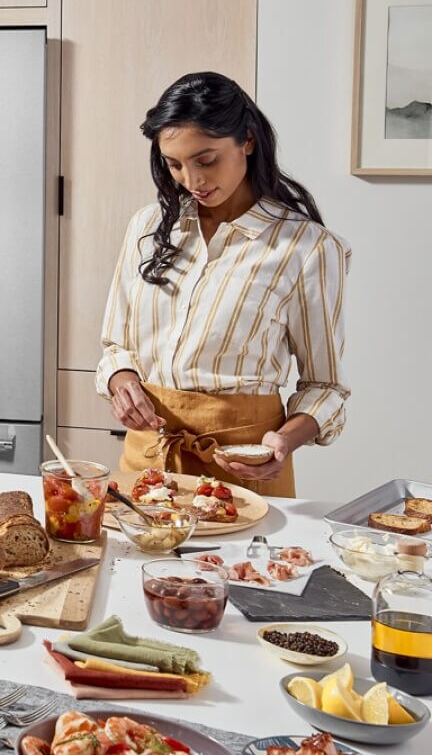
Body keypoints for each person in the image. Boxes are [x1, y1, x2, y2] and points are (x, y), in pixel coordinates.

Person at [96, 72, 349, 497]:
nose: (192, 182)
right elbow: (115, 346)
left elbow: (325, 387)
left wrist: (284, 442)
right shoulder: (147, 227)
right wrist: (120, 380)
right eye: (174, 164)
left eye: (206, 160)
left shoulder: (308, 248)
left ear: (247, 140)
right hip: (148, 468)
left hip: (244, 473)